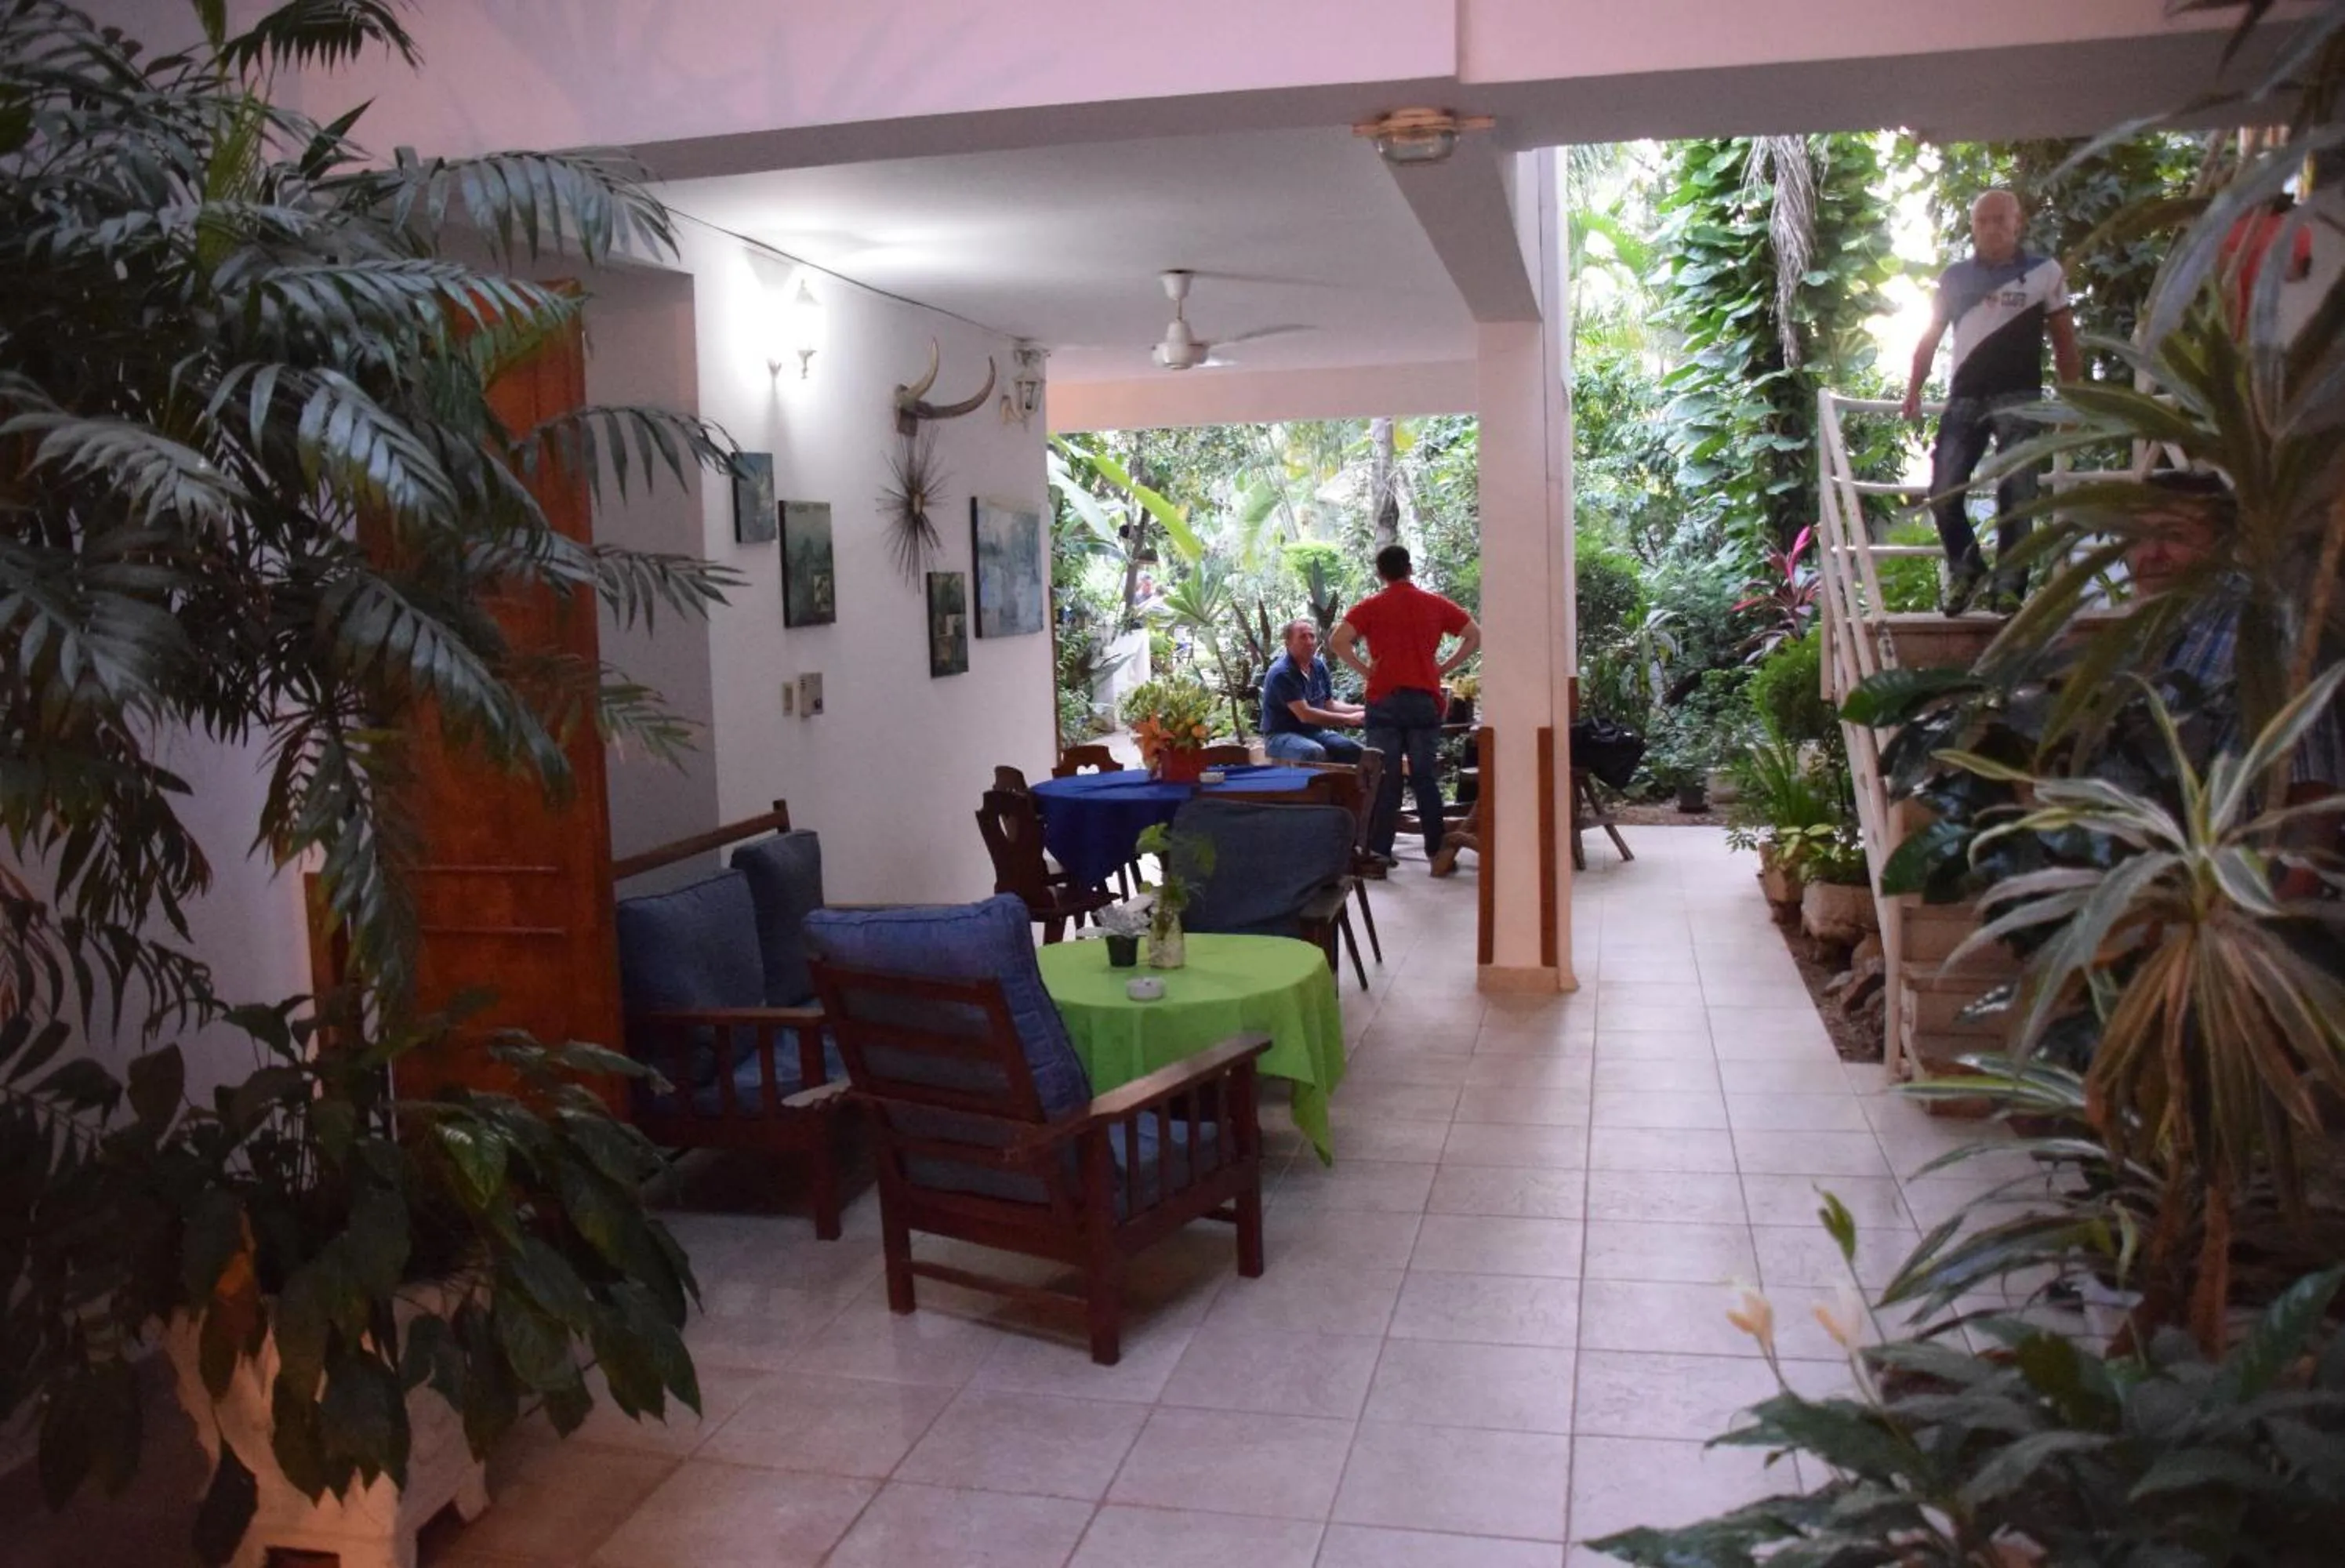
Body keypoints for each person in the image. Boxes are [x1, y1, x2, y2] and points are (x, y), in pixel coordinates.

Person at [2128, 470, 2341, 895]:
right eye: (2136, 537)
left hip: (2231, 895)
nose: (2151, 553)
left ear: (2224, 543)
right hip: (2158, 888)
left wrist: (2273, 913)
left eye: (2174, 535)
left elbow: (2312, 793)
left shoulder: (2262, 632)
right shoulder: (2149, 633)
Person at [1900, 189, 2082, 615]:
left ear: (2018, 223)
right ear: (1973, 227)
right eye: (1982, 221)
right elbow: (1929, 336)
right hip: (1965, 396)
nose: (1991, 229)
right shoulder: (1954, 278)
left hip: (2021, 397)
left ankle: (2009, 588)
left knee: (2018, 493)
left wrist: (2072, 402)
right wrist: (1914, 387)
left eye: (2000, 220)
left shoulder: (2044, 272)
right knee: (1943, 490)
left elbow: (2065, 342)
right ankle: (1967, 573)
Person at [1330, 544, 1482, 871]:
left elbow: (1337, 641)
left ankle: (1380, 853)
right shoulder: (1435, 604)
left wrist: (1366, 670)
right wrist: (1442, 667)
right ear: (1410, 569)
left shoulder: (1370, 606)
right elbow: (1474, 635)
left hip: (1384, 699)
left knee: (1387, 777)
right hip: (1424, 700)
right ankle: (1437, 852)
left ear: (1380, 574)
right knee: (1425, 777)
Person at [1259, 619, 1364, 764]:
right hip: (1280, 736)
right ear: (1288, 644)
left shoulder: (1318, 666)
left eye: (1312, 636)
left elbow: (1330, 705)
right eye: (1303, 637)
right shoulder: (1282, 673)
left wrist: (1364, 710)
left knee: (1354, 750)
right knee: (1313, 752)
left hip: (1313, 733)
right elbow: (1305, 714)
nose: (1309, 642)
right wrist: (1348, 719)